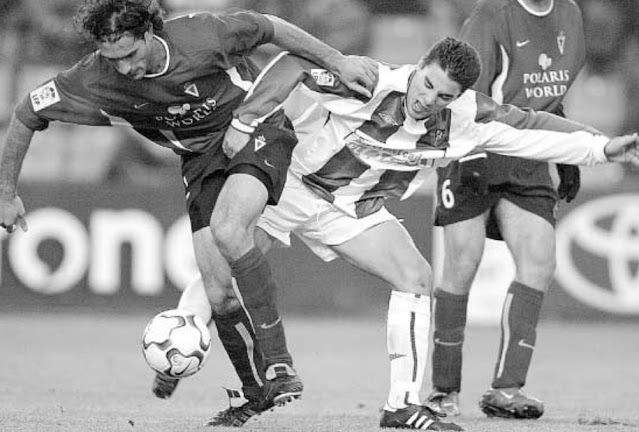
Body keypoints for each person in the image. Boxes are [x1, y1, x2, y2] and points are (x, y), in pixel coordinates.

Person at [176, 36, 638, 429]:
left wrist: (603, 148)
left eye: (443, 96)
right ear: (418, 68)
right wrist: (246, 118)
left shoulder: (466, 118)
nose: (427, 99)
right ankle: (180, 333)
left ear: (457, 98)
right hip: (294, 188)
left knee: (416, 278)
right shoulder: (371, 81)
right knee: (222, 271)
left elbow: (532, 125)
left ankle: (401, 406)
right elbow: (295, 62)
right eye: (427, 83)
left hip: (352, 211)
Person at [0, 0, 380, 426]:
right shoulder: (94, 76)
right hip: (200, 160)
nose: (123, 68)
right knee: (216, 290)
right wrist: (5, 193)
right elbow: (27, 112)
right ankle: (255, 394)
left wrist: (337, 60)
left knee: (229, 230)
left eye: (130, 55)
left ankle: (278, 363)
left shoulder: (202, 35)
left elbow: (269, 27)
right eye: (113, 59)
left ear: (149, 33)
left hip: (255, 126)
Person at [428, 0, 587, 419]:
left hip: (528, 155)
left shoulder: (570, 15)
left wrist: (566, 154)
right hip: (471, 147)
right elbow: (460, 93)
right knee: (463, 260)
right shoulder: (490, 16)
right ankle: (443, 391)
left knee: (540, 259)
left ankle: (507, 389)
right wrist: (474, 155)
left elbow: (549, 97)